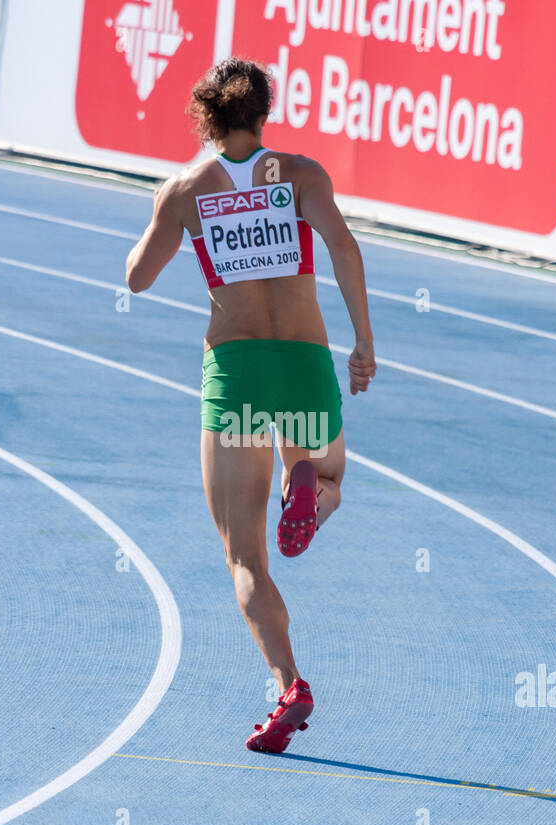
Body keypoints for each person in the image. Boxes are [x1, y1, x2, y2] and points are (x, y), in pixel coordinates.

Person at [125, 58, 377, 750]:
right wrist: (363, 342)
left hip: (235, 371)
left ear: (205, 117)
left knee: (245, 557)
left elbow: (138, 278)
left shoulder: (186, 190)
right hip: (303, 361)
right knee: (330, 477)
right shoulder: (301, 175)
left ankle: (288, 683)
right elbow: (345, 250)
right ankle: (310, 490)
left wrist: (171, 212)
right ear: (266, 111)